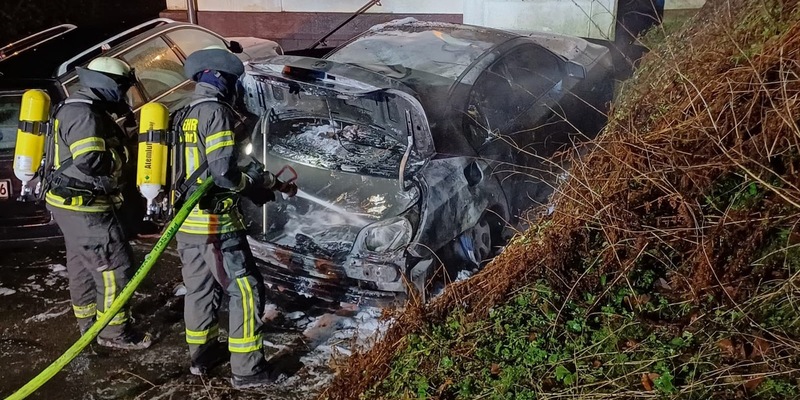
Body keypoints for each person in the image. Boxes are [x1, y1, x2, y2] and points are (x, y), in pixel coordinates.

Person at [173, 46, 297, 389]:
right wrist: (252, 187)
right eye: (233, 81)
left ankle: (203, 356)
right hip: (215, 223)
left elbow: (225, 163)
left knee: (199, 288)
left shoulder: (185, 111)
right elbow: (226, 173)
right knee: (245, 289)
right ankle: (248, 370)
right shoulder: (216, 113)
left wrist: (270, 181)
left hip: (186, 223)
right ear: (223, 79)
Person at [45, 57, 152, 350]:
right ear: (108, 86)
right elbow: (91, 160)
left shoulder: (76, 107)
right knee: (114, 267)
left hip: (70, 204)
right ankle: (114, 333)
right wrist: (126, 157)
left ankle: (90, 325)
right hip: (86, 207)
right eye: (122, 87)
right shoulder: (84, 115)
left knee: (82, 266)